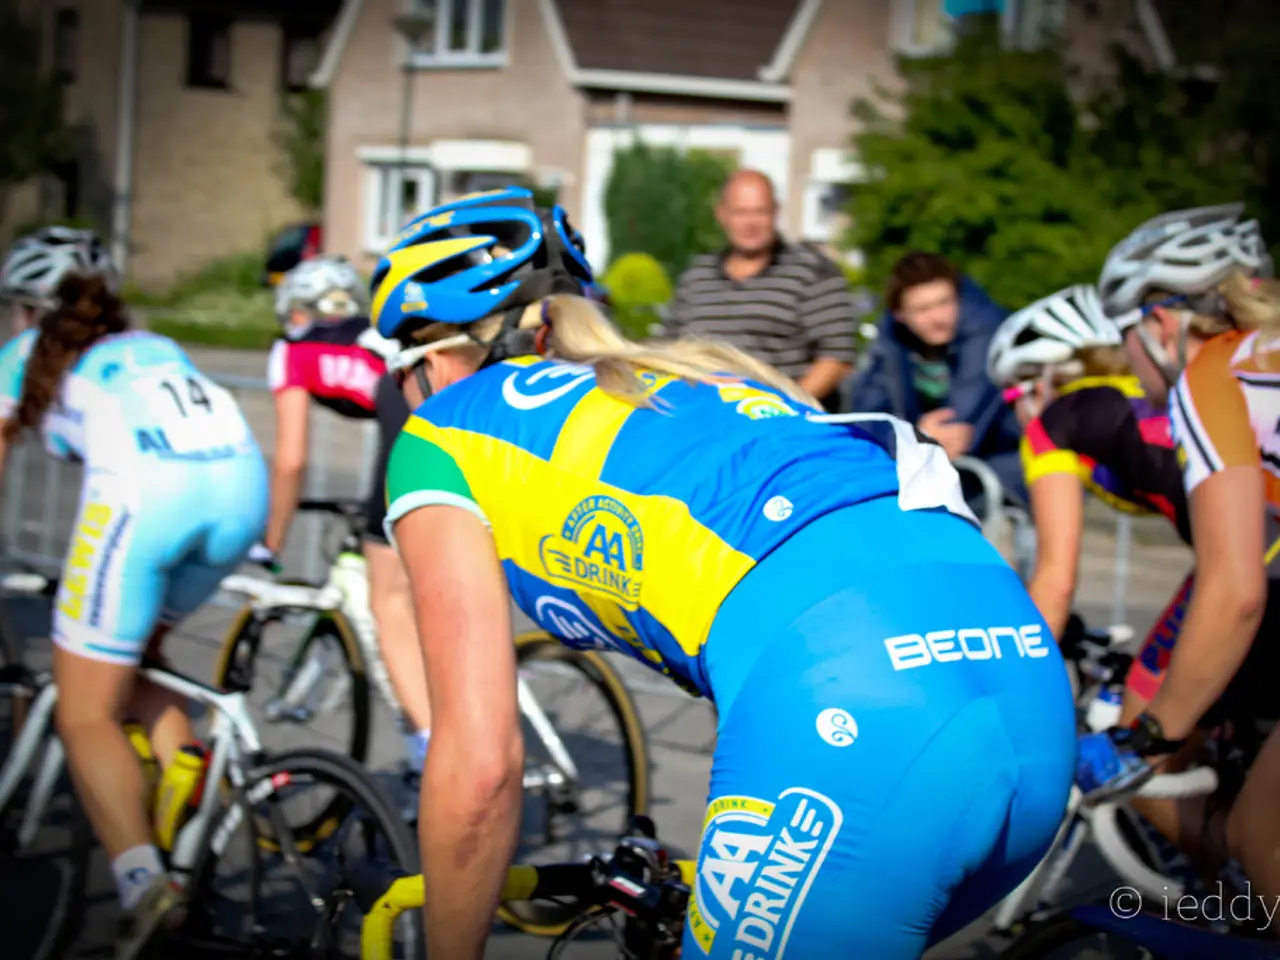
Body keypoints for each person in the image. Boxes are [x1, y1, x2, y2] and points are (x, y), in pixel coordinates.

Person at [373, 186, 1075, 958]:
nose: (400, 400)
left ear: (432, 357)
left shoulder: (444, 430)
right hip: (1027, 694)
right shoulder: (700, 377)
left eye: (395, 375)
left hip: (865, 712)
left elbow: (477, 771)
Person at [0, 230, 267, 956]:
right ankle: (185, 814)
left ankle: (144, 884)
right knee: (137, 658)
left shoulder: (22, 357)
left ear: (28, 311)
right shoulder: (154, 345)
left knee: (84, 709)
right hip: (240, 491)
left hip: (148, 500)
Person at [1075, 204, 1280, 928]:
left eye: (1122, 336)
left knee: (1264, 846)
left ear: (1161, 323)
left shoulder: (1217, 368)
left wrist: (1145, 739)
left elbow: (1235, 593)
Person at [256, 256, 432, 780]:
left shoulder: (291, 347)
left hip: (406, 434)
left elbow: (290, 460)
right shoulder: (374, 332)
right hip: (438, 412)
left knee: (389, 603)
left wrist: (272, 541)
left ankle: (431, 754)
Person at [986, 283, 1186, 641]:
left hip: (1257, 554)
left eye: (1014, 392)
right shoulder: (1168, 385)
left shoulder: (1055, 424)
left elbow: (1055, 584)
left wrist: (1018, 681)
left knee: (1155, 693)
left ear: (1045, 381)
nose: (1014, 409)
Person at [663, 169, 858, 411]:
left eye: (760, 211)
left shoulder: (813, 271)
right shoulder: (696, 275)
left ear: (775, 212)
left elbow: (837, 359)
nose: (750, 223)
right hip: (701, 418)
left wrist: (786, 407)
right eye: (741, 212)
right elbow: (668, 349)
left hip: (780, 422)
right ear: (722, 215)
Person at [850, 252, 1026, 509]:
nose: (938, 318)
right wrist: (916, 434)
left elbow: (959, 428)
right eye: (923, 309)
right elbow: (865, 419)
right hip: (932, 467)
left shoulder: (986, 331)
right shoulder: (890, 344)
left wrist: (913, 438)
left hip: (1004, 469)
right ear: (899, 314)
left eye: (945, 303)